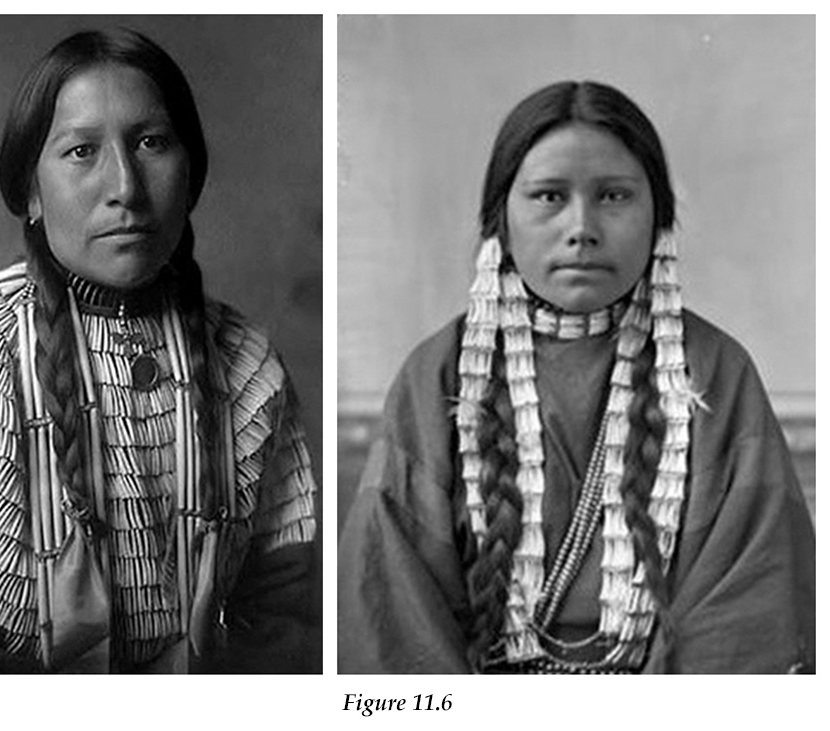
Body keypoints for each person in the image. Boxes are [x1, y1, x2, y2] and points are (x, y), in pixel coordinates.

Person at [0, 28, 319, 674]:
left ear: (192, 172)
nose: (125, 184)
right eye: (81, 151)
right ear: (32, 193)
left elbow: (292, 619)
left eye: (152, 142)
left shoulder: (251, 370)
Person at [337, 80, 815, 674]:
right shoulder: (439, 376)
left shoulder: (716, 374)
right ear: (500, 221)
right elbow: (394, 611)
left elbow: (749, 613)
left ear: (658, 217)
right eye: (548, 196)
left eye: (614, 196)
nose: (582, 226)